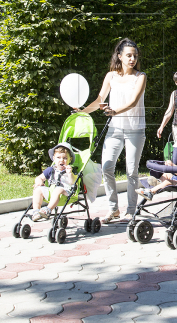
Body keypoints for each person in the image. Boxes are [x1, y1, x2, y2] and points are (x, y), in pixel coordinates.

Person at [76, 38, 146, 224]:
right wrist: (81, 111)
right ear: (119, 56)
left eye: (135, 56)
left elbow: (133, 101)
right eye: (128, 55)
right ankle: (113, 209)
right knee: (107, 167)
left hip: (135, 130)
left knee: (132, 171)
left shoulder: (141, 77)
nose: (132, 59)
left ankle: (131, 211)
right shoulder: (111, 76)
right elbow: (100, 99)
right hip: (115, 129)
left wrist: (114, 111)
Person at [136, 132, 177, 201]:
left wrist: (172, 166)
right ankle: (158, 183)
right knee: (167, 174)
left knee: (168, 182)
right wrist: (172, 166)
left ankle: (151, 192)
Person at [29, 144, 76, 222]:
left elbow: (73, 182)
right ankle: (36, 211)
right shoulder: (51, 170)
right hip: (52, 192)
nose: (61, 160)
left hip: (66, 193)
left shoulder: (70, 170)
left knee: (58, 189)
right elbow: (39, 177)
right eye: (58, 158)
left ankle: (48, 209)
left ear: (70, 160)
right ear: (54, 159)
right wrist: (39, 182)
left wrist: (70, 173)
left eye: (65, 158)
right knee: (38, 189)